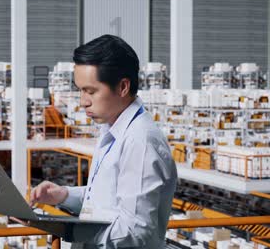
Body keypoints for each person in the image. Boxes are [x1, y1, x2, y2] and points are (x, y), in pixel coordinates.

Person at [29, 35, 177, 248]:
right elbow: (105, 203)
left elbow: (135, 231)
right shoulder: (112, 129)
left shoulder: (140, 142)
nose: (83, 101)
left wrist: (68, 230)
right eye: (80, 90)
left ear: (123, 87)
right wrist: (64, 196)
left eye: (91, 91)